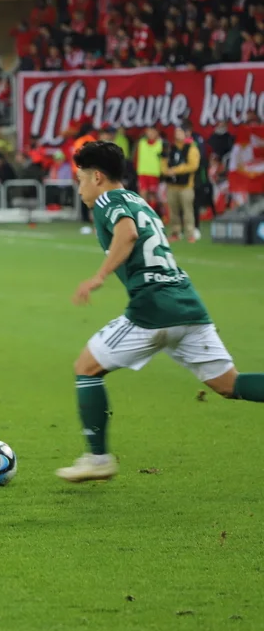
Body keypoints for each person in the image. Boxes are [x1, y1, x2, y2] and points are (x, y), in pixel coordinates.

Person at [58, 141, 264, 483]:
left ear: (97, 177)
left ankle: (97, 460)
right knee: (230, 384)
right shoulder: (141, 202)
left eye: (80, 179)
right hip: (187, 305)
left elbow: (127, 233)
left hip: (153, 309)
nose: (79, 188)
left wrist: (99, 276)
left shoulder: (108, 200)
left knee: (86, 367)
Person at [160, 127, 200, 242]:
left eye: (180, 132)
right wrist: (165, 170)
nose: (178, 135)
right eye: (176, 132)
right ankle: (175, 232)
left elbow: (193, 165)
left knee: (188, 211)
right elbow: (163, 161)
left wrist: (176, 170)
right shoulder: (171, 147)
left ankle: (190, 234)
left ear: (186, 133)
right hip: (172, 185)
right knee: (173, 211)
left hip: (186, 186)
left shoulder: (191, 148)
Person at [134, 126, 164, 210]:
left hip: (154, 173)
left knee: (152, 195)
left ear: (157, 133)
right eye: (149, 131)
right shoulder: (141, 143)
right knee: (143, 194)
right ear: (146, 132)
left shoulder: (160, 144)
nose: (151, 134)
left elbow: (164, 160)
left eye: (153, 132)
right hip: (143, 172)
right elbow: (136, 157)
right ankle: (144, 213)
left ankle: (151, 213)